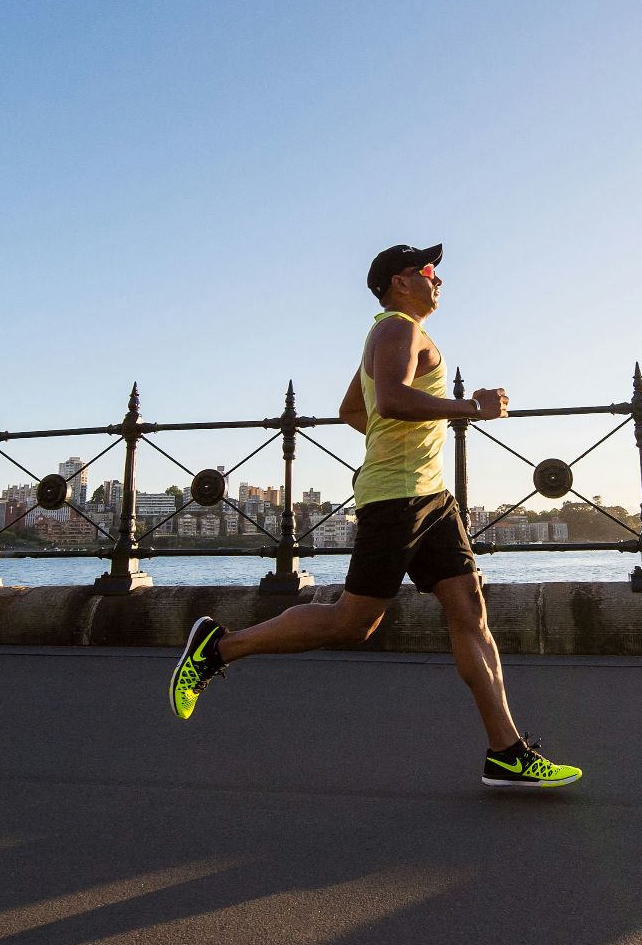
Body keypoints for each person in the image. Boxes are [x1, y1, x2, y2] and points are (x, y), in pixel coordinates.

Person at [170, 243, 581, 789]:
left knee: (470, 610)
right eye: (427, 271)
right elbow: (388, 401)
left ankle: (507, 751)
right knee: (352, 622)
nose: (438, 280)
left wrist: (401, 446)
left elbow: (352, 411)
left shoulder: (398, 332)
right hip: (398, 500)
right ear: (397, 282)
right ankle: (217, 648)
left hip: (431, 497)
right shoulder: (396, 330)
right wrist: (469, 409)